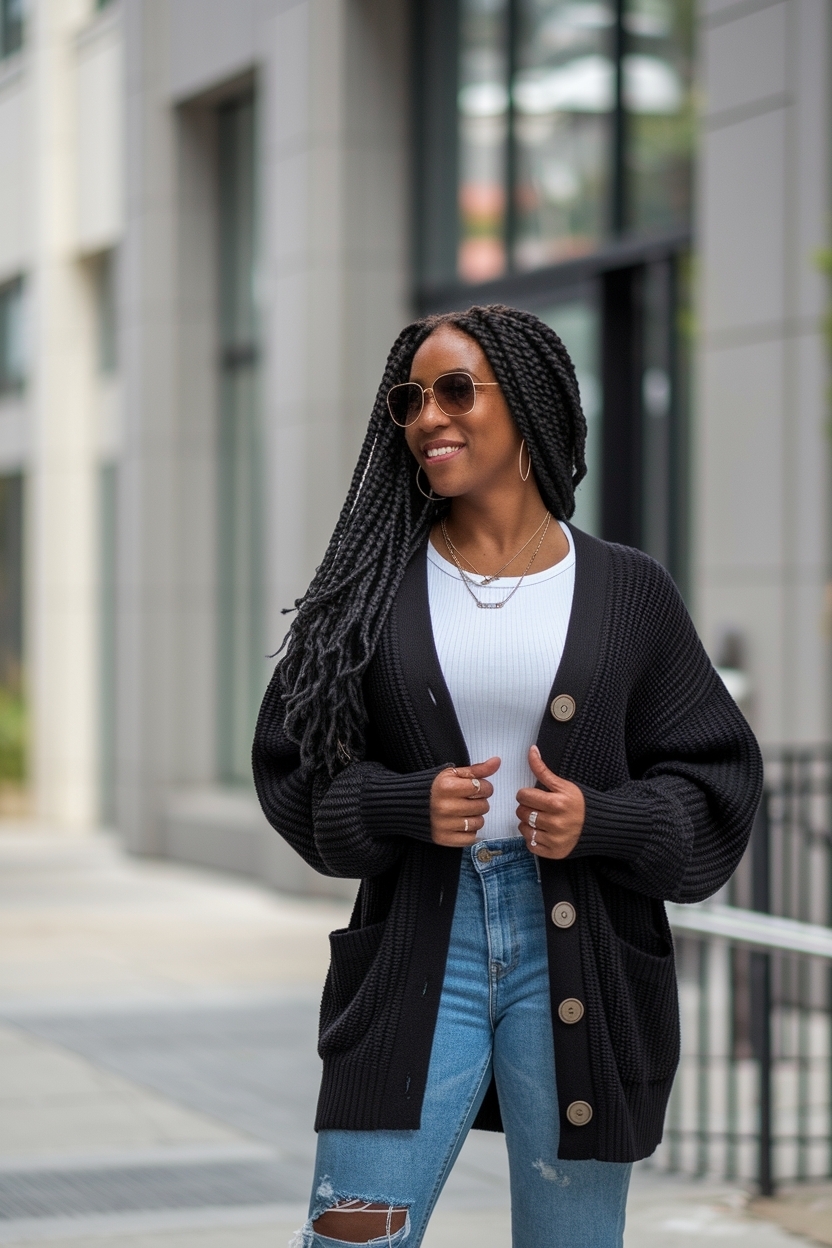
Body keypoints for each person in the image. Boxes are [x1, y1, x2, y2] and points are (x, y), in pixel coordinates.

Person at [252, 304, 762, 1248]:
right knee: (353, 1233)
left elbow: (716, 777)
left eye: (456, 390)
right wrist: (405, 803)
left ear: (527, 406)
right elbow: (291, 768)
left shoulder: (627, 589)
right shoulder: (369, 587)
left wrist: (598, 821)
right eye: (410, 398)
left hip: (583, 955)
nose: (427, 417)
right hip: (417, 953)